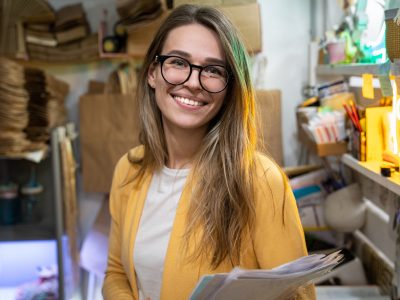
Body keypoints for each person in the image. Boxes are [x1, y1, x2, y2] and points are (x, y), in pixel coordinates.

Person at [103, 4, 316, 300]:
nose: (192, 82)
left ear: (229, 88)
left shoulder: (259, 180)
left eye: (213, 70)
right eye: (178, 62)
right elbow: (115, 272)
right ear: (153, 73)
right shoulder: (129, 168)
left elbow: (298, 297)